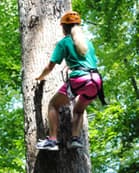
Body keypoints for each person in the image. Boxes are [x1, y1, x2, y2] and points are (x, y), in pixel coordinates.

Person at [35, 11, 106, 150]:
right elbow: (88, 62)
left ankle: (53, 140)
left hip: (79, 79)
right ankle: (75, 139)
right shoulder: (87, 43)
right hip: (95, 81)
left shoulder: (64, 42)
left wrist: (40, 77)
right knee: (79, 110)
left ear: (63, 28)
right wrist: (70, 65)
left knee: (53, 105)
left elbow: (50, 66)